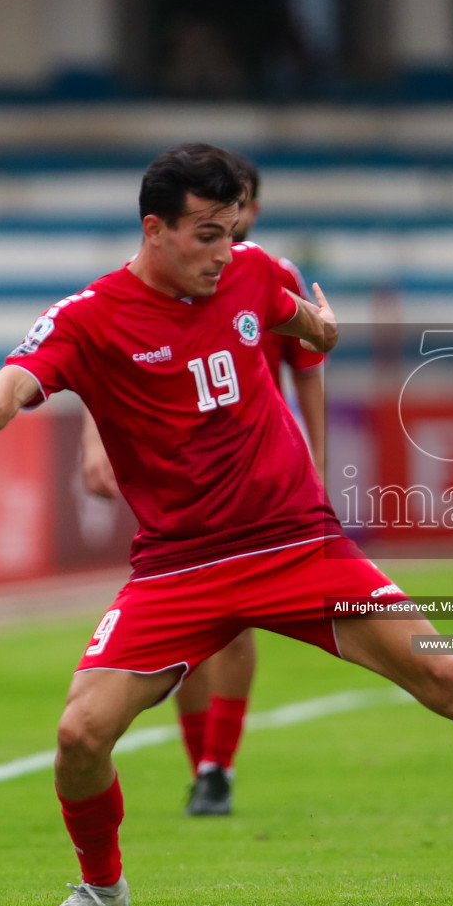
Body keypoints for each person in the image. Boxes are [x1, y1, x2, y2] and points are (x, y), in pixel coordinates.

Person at [0, 143, 453, 906]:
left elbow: (299, 324)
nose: (224, 253)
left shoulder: (255, 271)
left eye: (231, 231)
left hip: (297, 544)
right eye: (205, 235)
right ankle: (102, 890)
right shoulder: (92, 316)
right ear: (155, 230)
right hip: (178, 568)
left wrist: (321, 331)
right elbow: (20, 373)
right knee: (79, 735)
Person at [78, 151, 326, 818]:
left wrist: (319, 462)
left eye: (238, 208)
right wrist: (92, 440)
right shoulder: (149, 288)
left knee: (237, 623)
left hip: (256, 466)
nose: (230, 224)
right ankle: (201, 763)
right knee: (187, 633)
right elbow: (106, 367)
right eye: (215, 216)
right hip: (180, 470)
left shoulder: (265, 272)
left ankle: (218, 764)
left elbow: (308, 363)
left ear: (252, 209)